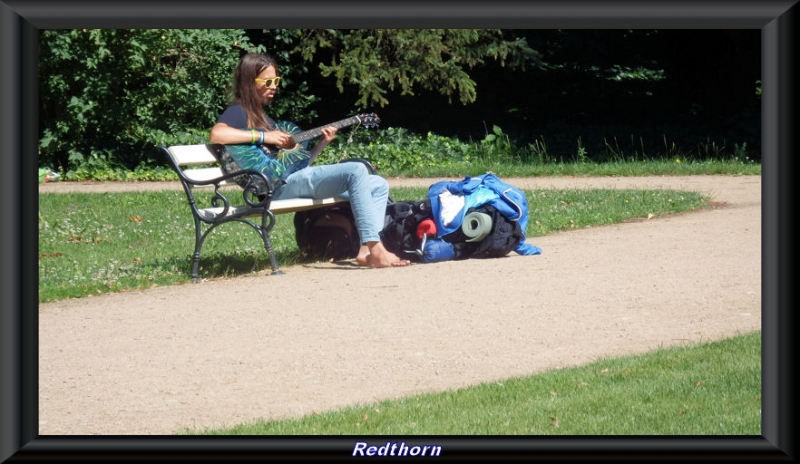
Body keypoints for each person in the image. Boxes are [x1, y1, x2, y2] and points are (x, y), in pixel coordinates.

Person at [209, 53, 410, 268]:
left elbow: (296, 166)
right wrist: (264, 136)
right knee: (356, 170)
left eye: (276, 81)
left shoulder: (266, 120)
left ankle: (364, 251)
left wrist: (321, 144)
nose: (274, 86)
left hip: (292, 180)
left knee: (378, 185)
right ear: (249, 82)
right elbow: (217, 134)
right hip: (276, 188)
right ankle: (376, 248)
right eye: (268, 81)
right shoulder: (239, 112)